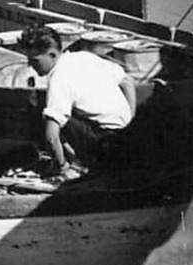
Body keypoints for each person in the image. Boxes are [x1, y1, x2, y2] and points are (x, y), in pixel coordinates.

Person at [17, 25, 136, 179]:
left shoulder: (59, 79)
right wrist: (131, 120)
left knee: (42, 109)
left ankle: (72, 166)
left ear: (52, 54)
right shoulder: (84, 57)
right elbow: (128, 82)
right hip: (126, 137)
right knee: (60, 112)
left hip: (104, 143)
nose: (30, 65)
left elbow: (51, 136)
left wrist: (62, 167)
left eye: (34, 60)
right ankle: (79, 160)